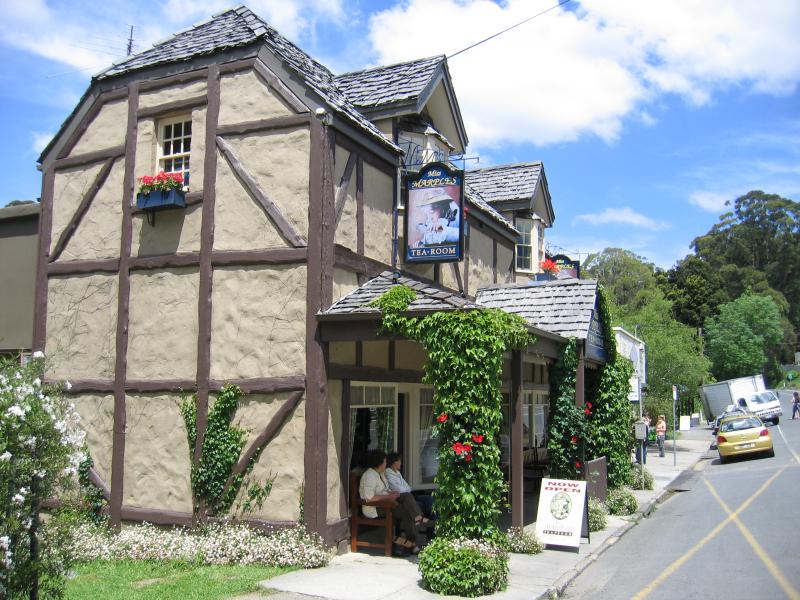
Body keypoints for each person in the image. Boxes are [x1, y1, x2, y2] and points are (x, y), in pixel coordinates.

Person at [358, 450, 427, 553]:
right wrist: (388, 497)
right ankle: (412, 544)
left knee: (406, 496)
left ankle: (417, 519)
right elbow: (369, 498)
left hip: (386, 503)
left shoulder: (380, 474)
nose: (386, 464)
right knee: (407, 512)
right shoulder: (370, 476)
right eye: (385, 462)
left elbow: (384, 490)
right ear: (379, 463)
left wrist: (392, 493)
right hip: (375, 508)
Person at [385, 452, 435, 519]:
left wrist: (406, 489)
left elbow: (408, 487)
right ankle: (429, 525)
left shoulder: (397, 473)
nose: (401, 463)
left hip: (410, 495)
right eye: (399, 461)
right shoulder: (388, 473)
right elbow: (398, 489)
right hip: (401, 498)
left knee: (430, 499)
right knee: (422, 504)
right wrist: (406, 489)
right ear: (394, 462)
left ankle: (434, 524)